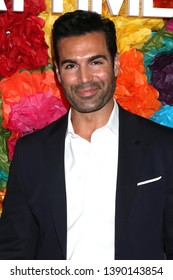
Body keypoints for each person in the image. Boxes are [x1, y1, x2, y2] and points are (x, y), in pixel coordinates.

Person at [0, 10, 173, 260]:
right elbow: (13, 253)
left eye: (95, 62)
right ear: (59, 73)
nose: (84, 79)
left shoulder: (163, 147)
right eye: (71, 65)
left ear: (115, 64)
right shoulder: (31, 153)